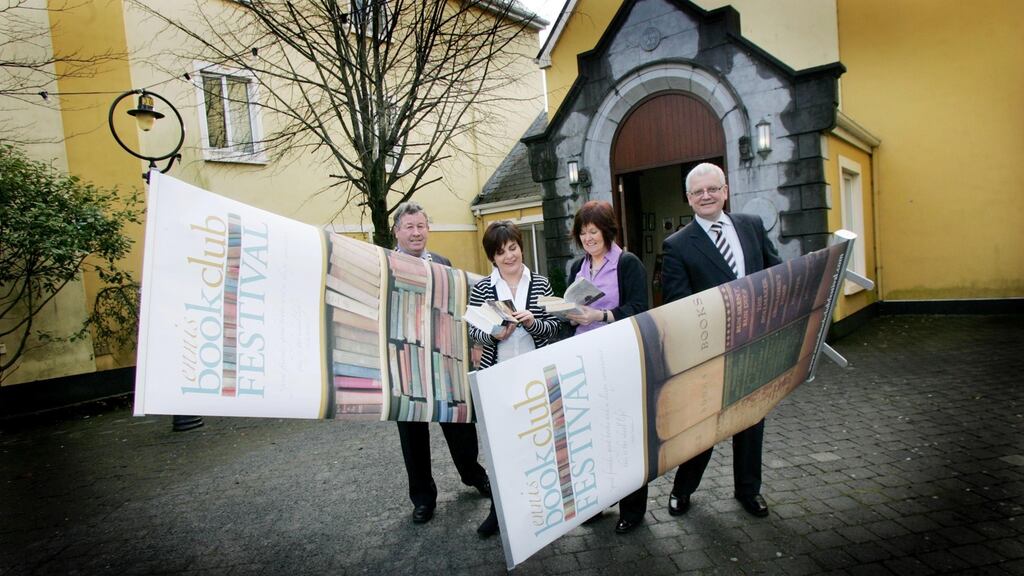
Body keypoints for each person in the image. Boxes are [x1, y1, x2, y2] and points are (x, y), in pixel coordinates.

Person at [661, 162, 781, 519]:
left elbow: (776, 275)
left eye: (713, 189)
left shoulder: (752, 227)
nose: (706, 196)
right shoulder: (678, 246)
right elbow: (677, 306)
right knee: (704, 427)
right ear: (688, 199)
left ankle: (748, 491)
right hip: (710, 353)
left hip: (755, 344)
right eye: (698, 192)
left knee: (751, 421)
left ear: (725, 191)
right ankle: (682, 490)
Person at [391, 201, 490, 524]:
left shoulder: (444, 263)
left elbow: (460, 307)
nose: (416, 233)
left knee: (460, 423)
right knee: (413, 435)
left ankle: (473, 474)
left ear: (428, 229)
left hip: (444, 360)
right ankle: (422, 498)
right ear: (397, 231)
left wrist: (473, 344)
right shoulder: (387, 266)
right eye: (409, 227)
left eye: (421, 226)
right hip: (406, 364)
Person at [468, 220, 562, 537]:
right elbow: (472, 331)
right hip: (497, 378)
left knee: (536, 444)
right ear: (492, 258)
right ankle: (498, 513)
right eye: (501, 252)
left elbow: (555, 327)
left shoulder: (540, 283)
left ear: (520, 247)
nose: (509, 256)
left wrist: (534, 323)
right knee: (500, 449)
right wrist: (496, 333)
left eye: (513, 248)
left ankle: (540, 508)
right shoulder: (482, 287)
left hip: (534, 377)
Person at [564, 200, 649, 534]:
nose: (588, 238)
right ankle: (598, 502)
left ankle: (633, 509)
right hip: (585, 360)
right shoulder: (576, 268)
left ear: (607, 231)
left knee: (624, 435)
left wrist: (601, 315)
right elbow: (571, 310)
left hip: (619, 358)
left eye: (593, 231)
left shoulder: (627, 264)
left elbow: (641, 309)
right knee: (594, 436)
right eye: (582, 232)